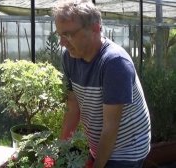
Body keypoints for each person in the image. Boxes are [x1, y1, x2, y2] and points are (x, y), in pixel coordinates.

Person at [52, 0, 151, 168]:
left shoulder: (114, 63)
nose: (62, 43)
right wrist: (59, 152)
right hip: (100, 144)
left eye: (68, 34)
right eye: (59, 35)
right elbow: (73, 107)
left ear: (95, 29)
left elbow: (111, 126)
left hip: (127, 149)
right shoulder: (69, 57)